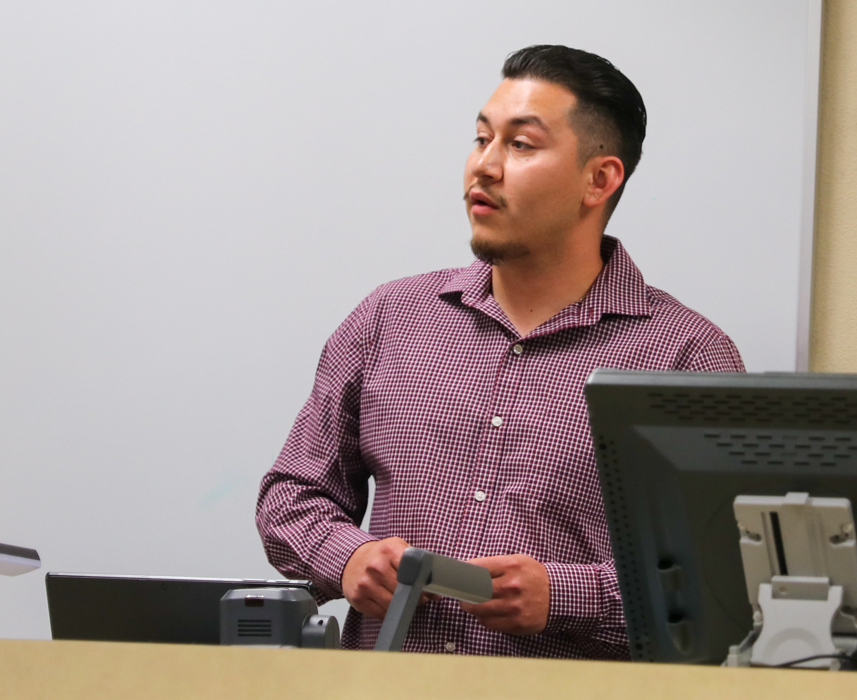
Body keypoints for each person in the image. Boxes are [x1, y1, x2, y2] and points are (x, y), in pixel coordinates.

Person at [255, 44, 744, 659]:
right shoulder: (390, 318)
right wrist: (347, 555)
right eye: (481, 138)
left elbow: (721, 586)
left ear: (600, 179)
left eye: (520, 145)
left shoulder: (686, 357)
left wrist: (563, 597)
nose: (483, 167)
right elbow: (292, 496)